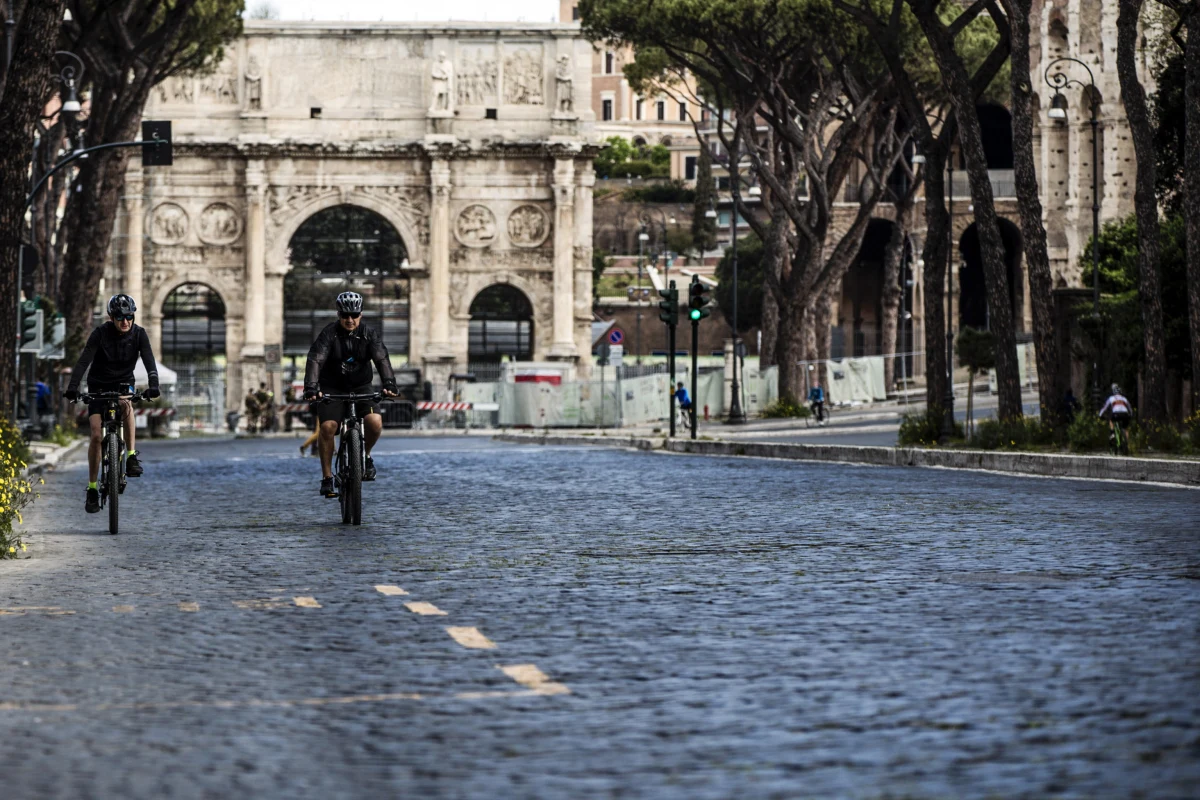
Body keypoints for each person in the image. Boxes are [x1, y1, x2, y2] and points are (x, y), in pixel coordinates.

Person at [63, 294, 161, 514]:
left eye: (129, 317)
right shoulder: (100, 334)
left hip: (124, 381)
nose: (125, 322)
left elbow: (149, 360)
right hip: (98, 383)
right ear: (111, 317)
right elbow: (84, 360)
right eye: (120, 318)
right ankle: (92, 488)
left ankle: (131, 456)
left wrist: (154, 384)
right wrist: (73, 386)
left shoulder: (139, 334)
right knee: (97, 435)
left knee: (126, 404)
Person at [303, 292, 398, 497]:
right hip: (332, 388)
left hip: (362, 386)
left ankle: (365, 455)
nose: (350, 320)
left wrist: (389, 383)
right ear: (338, 314)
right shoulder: (329, 334)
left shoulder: (369, 334)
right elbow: (316, 359)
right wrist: (311, 387)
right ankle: (327, 478)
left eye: (354, 315)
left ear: (361, 314)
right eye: (345, 315)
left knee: (375, 422)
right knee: (328, 427)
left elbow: (381, 358)